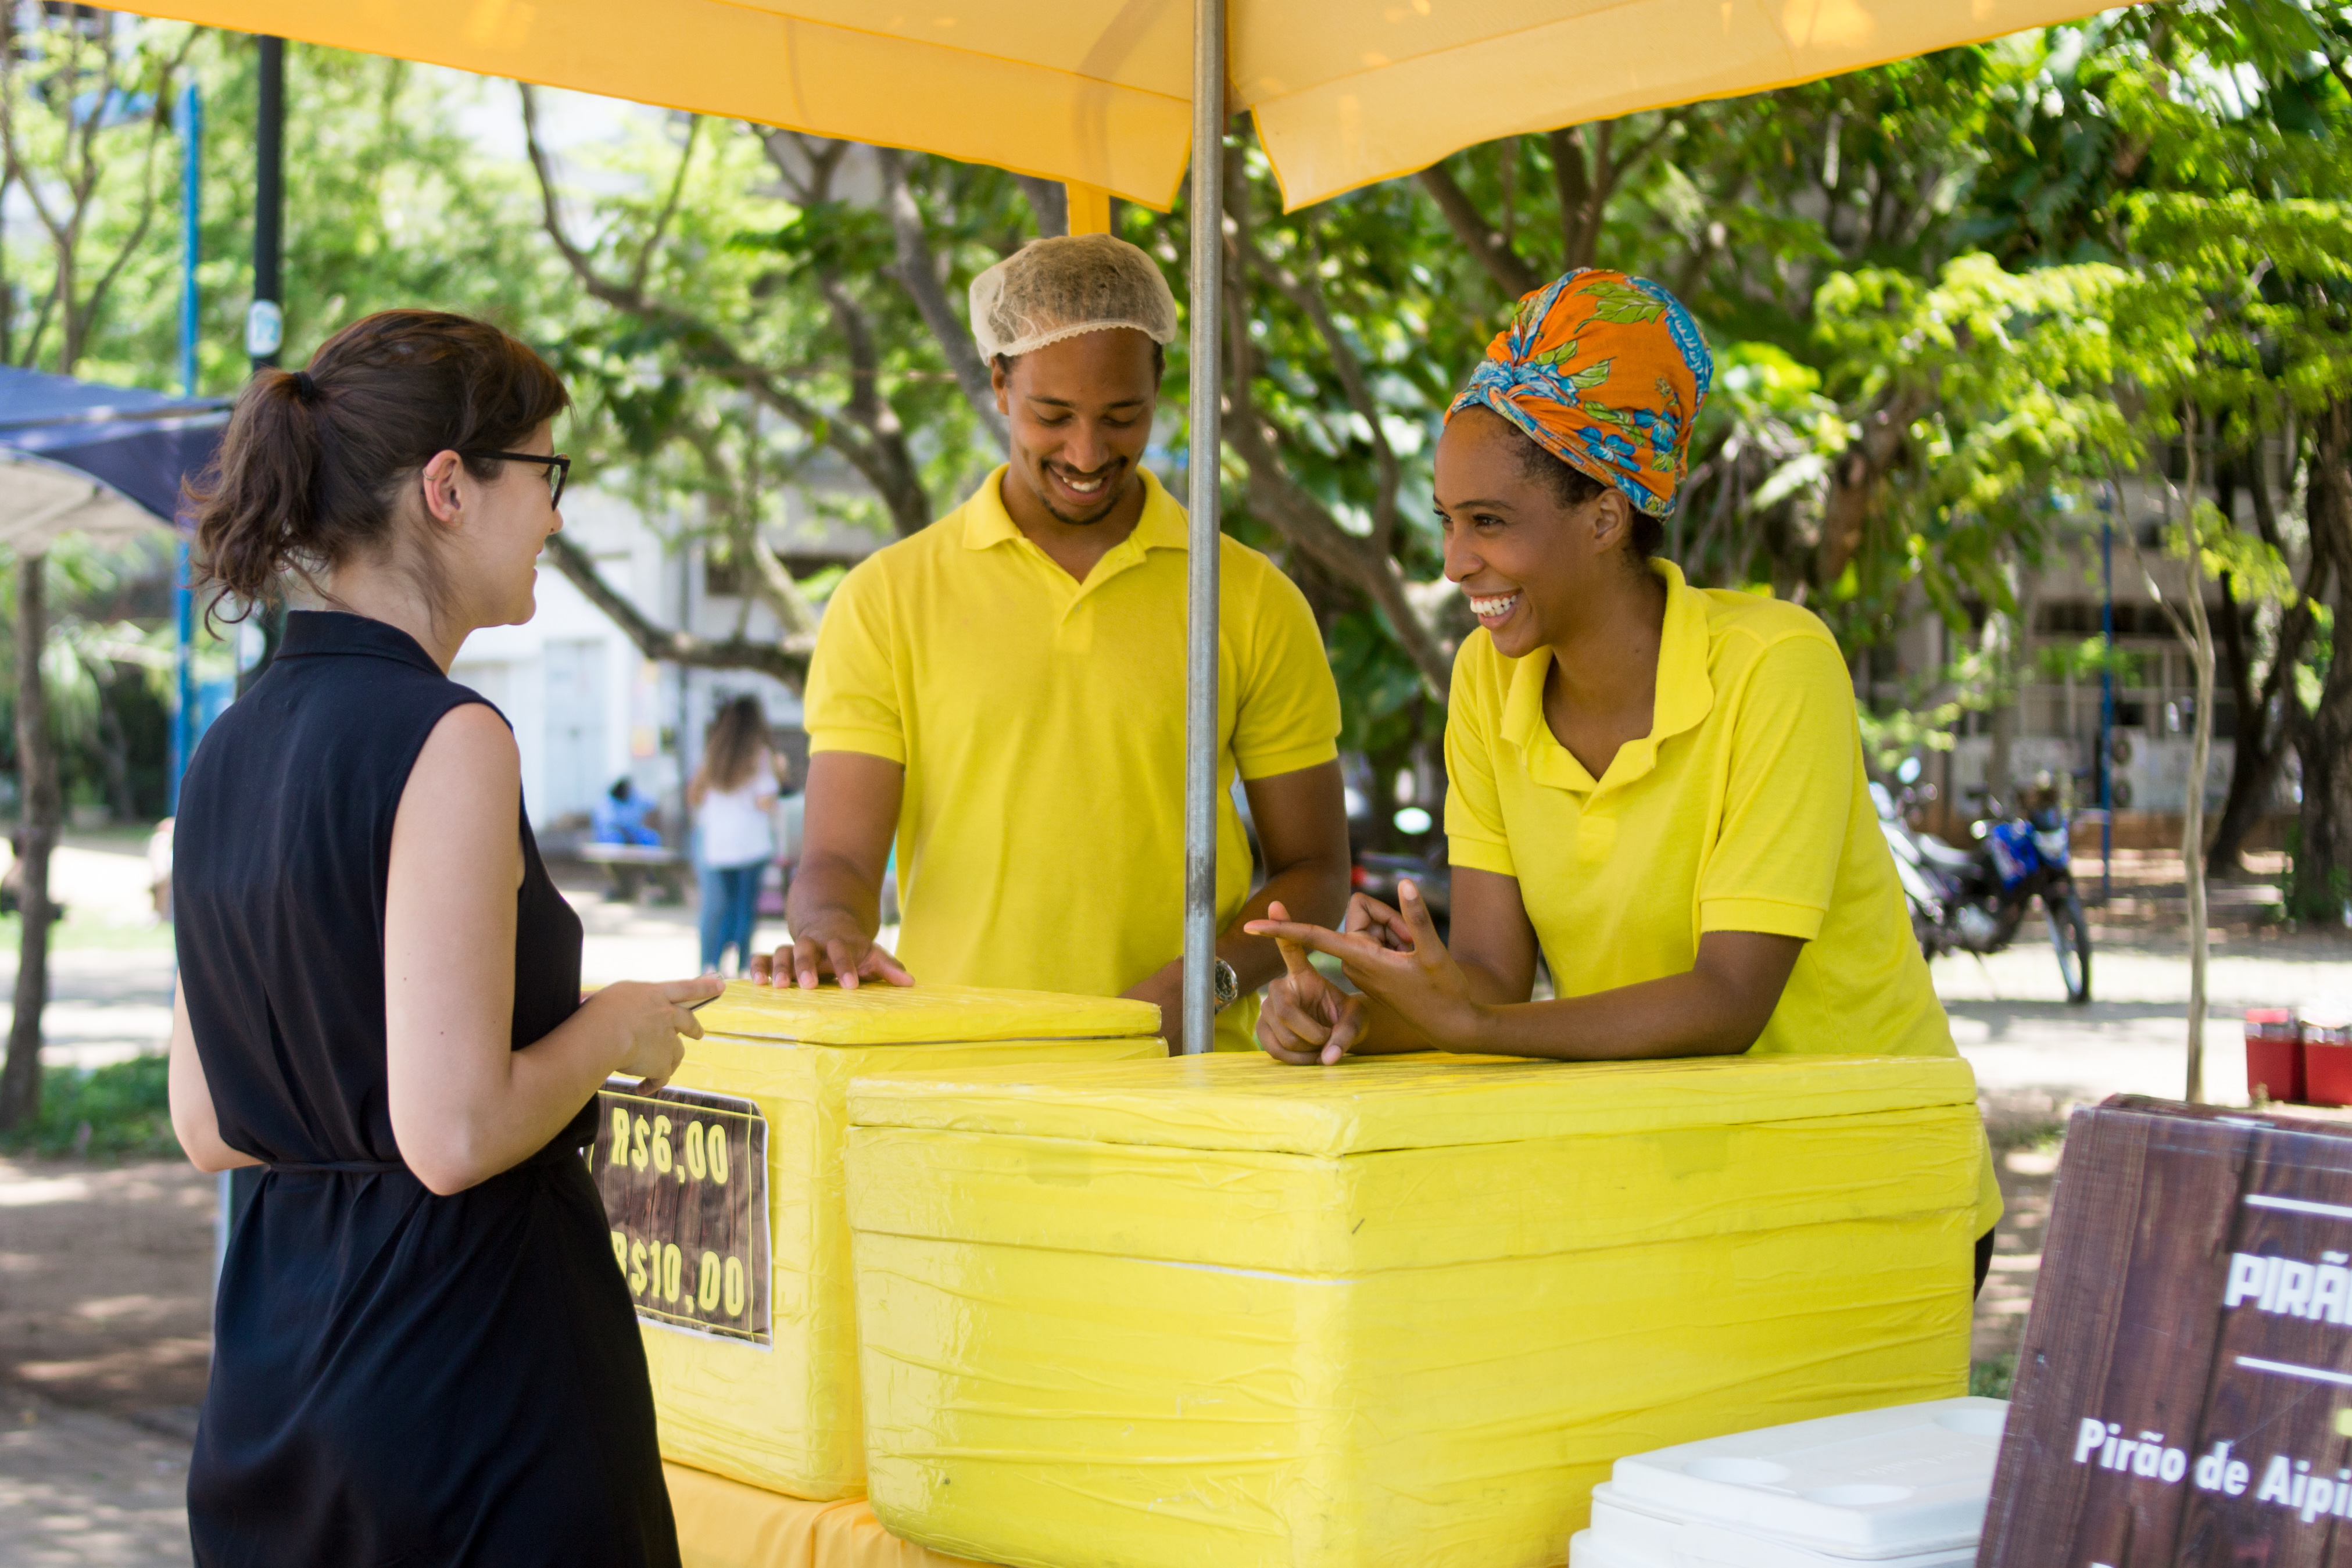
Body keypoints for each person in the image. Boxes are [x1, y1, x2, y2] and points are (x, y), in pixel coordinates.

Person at [1246, 269, 2003, 1290]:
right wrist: (1359, 1016)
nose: (1454, 561)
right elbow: (1491, 984)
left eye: (1487, 522)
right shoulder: (1485, 680)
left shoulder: (1775, 665)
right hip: (1673, 1188)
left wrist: (1472, 1022)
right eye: (1446, 521)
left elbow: (1727, 998)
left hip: (1870, 1182)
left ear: (1605, 515)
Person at [167, 309, 720, 1567]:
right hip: (472, 1384)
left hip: (276, 1388)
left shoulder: (226, 748)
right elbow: (455, 1128)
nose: (557, 516)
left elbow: (208, 1121)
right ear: (449, 487)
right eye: (546, 473)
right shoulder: (450, 736)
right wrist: (616, 1024)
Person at [756, 234, 1349, 1053]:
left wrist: (1201, 984)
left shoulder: (1248, 598)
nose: (1085, 453)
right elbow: (837, 861)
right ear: (1000, 384)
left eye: (1120, 417)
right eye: (1052, 415)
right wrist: (829, 932)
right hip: (958, 1066)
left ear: (1158, 391)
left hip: (1189, 1080)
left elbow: (1315, 866)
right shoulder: (885, 598)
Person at [689, 696, 782, 976]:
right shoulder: (760, 755)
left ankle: (709, 966)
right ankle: (744, 968)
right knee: (744, 910)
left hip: (717, 844)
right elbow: (766, 800)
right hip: (751, 844)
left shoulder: (714, 754)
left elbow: (695, 796)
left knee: (716, 909)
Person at [592, 776, 661, 846]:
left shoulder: (635, 797)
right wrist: (626, 834)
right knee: (613, 838)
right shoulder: (607, 802)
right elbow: (609, 823)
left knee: (650, 837)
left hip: (634, 831)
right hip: (615, 832)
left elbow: (653, 805)